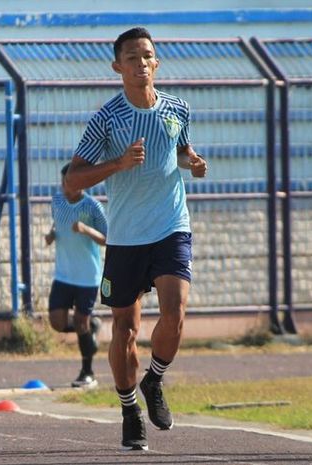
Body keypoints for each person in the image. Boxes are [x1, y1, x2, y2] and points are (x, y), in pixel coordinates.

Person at [65, 27, 207, 451]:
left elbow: (180, 149)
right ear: (117, 66)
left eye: (147, 55)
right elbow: (73, 181)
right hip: (125, 237)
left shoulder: (177, 109)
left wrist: (192, 162)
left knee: (176, 310)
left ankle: (155, 380)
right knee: (125, 329)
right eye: (132, 57)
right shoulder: (107, 119)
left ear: (156, 62)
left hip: (170, 226)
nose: (140, 63)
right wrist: (117, 163)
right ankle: (129, 409)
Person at [44, 163, 107, 390]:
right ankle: (92, 326)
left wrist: (86, 230)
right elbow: (57, 222)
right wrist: (52, 235)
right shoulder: (57, 201)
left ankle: (87, 372)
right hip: (63, 274)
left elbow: (107, 238)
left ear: (80, 182)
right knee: (57, 322)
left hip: (87, 276)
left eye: (68, 182)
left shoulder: (93, 207)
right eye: (62, 182)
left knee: (81, 323)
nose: (64, 186)